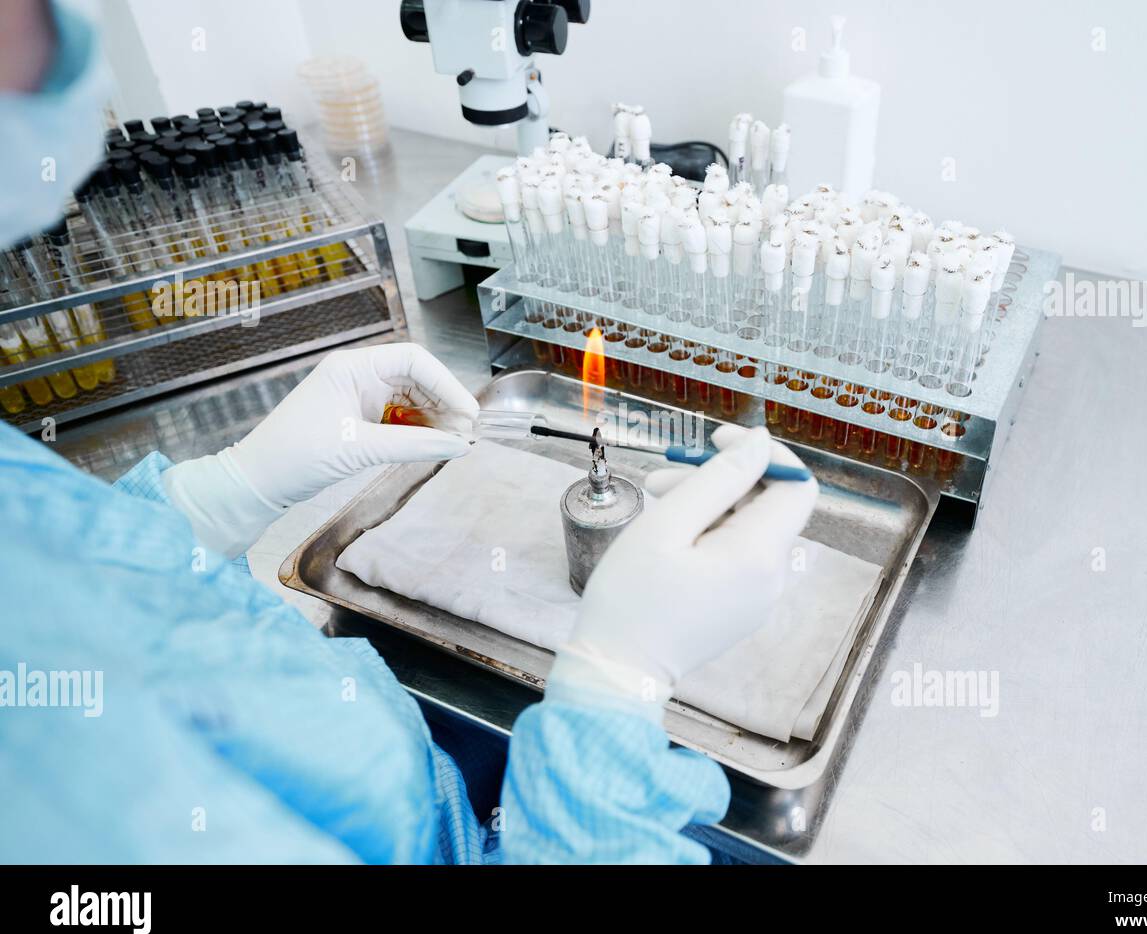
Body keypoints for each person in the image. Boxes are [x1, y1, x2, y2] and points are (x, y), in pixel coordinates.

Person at [0, 2, 820, 863]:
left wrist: (204, 506)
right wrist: (622, 679)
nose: (65, 33)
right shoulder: (59, 801)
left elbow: (75, 578)